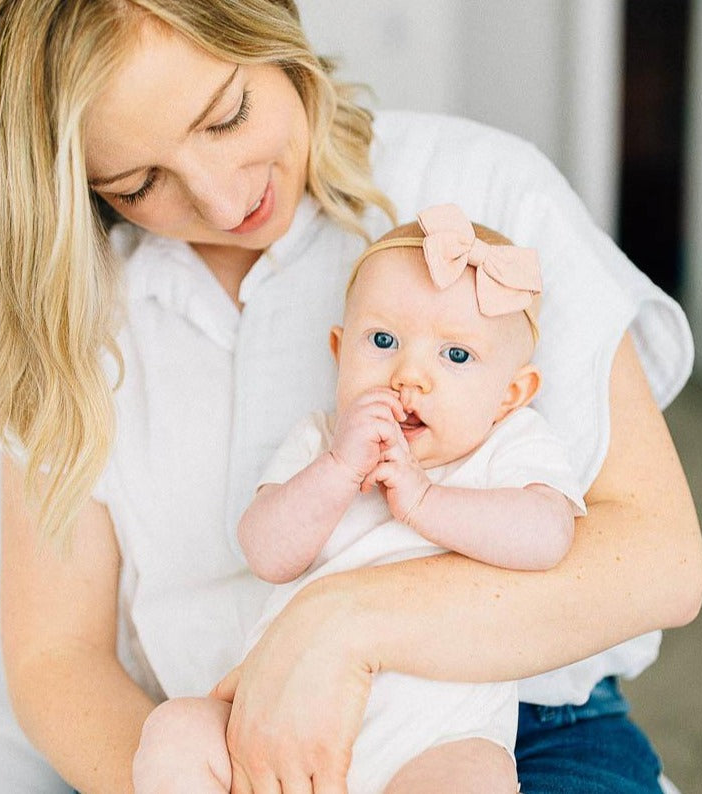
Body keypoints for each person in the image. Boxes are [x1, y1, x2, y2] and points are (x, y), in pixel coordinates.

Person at [0, 2, 702, 793]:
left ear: (268, 28)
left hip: (510, 726)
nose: (218, 200)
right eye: (140, 185)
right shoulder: (84, 317)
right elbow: (56, 657)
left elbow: (662, 561)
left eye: (227, 117)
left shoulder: (478, 194)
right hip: (232, 745)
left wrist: (343, 625)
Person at [133, 205, 587, 794]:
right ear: (338, 350)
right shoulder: (321, 443)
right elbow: (267, 552)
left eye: (456, 356)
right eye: (382, 341)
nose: (409, 375)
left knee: (477, 780)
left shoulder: (509, 446)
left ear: (510, 394)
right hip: (276, 728)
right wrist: (340, 469)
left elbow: (549, 536)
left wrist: (425, 502)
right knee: (175, 732)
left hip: (437, 741)